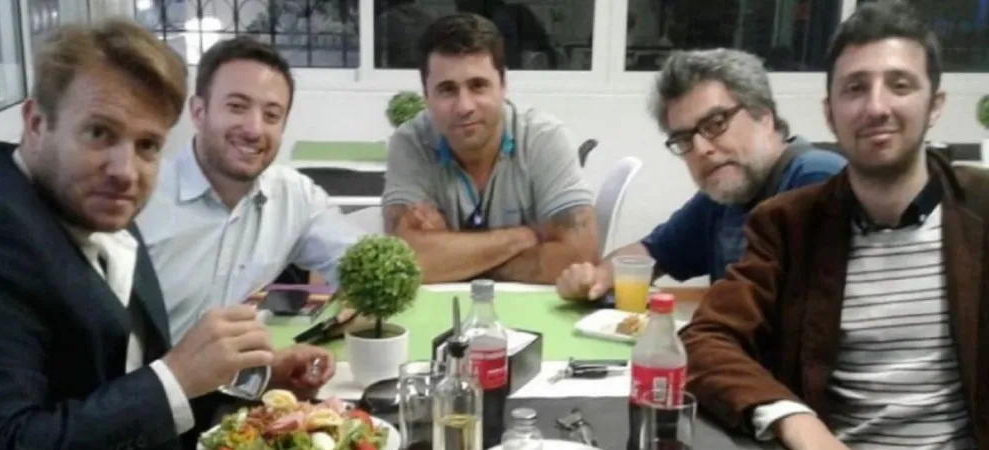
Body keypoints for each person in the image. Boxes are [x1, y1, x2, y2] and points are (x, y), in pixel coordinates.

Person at [680, 3, 989, 450]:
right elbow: (707, 338)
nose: (876, 106)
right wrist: (795, 419)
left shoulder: (981, 212)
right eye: (855, 88)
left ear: (935, 104)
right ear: (830, 111)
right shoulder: (791, 224)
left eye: (900, 85)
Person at [0, 19, 277, 450]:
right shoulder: (6, 234)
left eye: (148, 145)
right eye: (99, 133)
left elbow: (113, 383)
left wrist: (236, 380)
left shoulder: (92, 208)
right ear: (36, 122)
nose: (125, 171)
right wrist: (175, 378)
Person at [555, 48, 846, 303]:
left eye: (716, 124)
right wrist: (594, 278)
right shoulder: (725, 196)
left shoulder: (817, 181)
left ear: (764, 116)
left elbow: (807, 326)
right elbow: (649, 252)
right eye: (684, 138)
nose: (700, 149)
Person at [138, 36, 365, 360]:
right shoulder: (140, 196)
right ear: (198, 111)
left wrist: (360, 295)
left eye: (271, 115)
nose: (255, 129)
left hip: (227, 382)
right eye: (237, 107)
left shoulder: (293, 197)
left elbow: (365, 264)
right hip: (139, 386)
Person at [382, 13, 598, 284]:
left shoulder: (544, 138)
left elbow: (579, 257)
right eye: (447, 90)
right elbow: (401, 260)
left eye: (478, 86)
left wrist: (450, 257)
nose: (464, 107)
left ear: (503, 85)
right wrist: (522, 237)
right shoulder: (411, 142)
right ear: (426, 95)